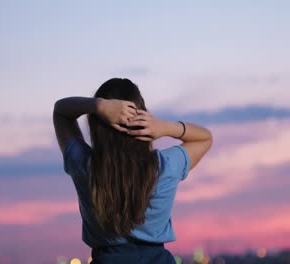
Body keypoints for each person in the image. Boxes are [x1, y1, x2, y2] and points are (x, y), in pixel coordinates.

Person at [53, 78, 213, 264]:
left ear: (96, 127)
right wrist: (165, 127)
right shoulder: (164, 167)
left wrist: (98, 106)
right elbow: (204, 138)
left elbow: (61, 112)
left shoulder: (84, 166)